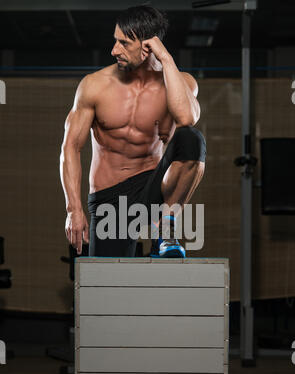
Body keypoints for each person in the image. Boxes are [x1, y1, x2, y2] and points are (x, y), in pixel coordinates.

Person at [60, 5, 206, 258]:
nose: (114, 50)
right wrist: (74, 209)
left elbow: (186, 118)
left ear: (148, 46)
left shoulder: (180, 83)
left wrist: (167, 59)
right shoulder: (95, 86)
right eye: (116, 41)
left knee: (191, 138)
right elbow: (70, 147)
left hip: (154, 186)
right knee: (107, 286)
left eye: (124, 43)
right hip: (110, 197)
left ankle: (166, 228)